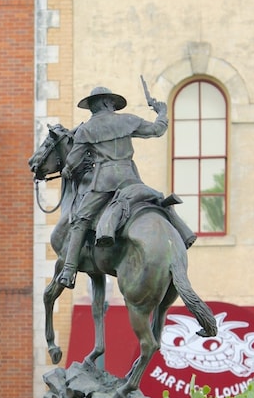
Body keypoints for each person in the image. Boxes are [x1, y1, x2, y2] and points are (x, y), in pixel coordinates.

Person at [56, 86, 196, 289]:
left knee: (80, 220)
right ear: (108, 103)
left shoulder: (86, 130)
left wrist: (68, 169)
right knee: (156, 200)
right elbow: (157, 130)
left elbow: (72, 161)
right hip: (130, 178)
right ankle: (184, 233)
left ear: (97, 105)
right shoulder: (128, 120)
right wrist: (162, 112)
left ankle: (68, 271)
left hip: (103, 183)